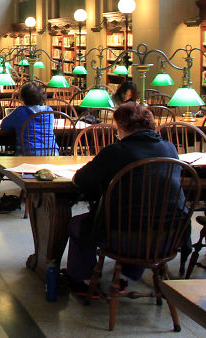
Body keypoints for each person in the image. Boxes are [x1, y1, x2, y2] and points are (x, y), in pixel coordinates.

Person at [63, 103, 185, 295]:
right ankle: (125, 277)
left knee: (77, 224)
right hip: (167, 233)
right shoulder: (169, 149)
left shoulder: (117, 151)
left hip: (124, 234)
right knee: (140, 216)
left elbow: (82, 180)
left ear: (121, 126)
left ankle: (82, 279)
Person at [0, 82, 54, 154]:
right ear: (42, 96)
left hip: (28, 154)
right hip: (51, 153)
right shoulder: (49, 110)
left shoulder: (20, 111)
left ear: (23, 98)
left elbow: (4, 125)